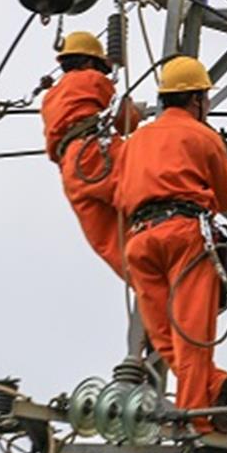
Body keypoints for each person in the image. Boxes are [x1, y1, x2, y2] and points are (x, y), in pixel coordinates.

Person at [113, 56, 227, 433]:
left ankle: (210, 388)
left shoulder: (135, 141)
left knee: (163, 333)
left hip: (140, 241)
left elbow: (120, 194)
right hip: (184, 236)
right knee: (192, 334)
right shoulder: (203, 137)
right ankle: (196, 419)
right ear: (196, 99)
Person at [41, 31, 141, 278]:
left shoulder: (50, 96)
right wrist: (136, 111)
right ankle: (178, 257)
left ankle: (144, 277)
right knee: (150, 186)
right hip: (95, 150)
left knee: (110, 239)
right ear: (88, 62)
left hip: (70, 169)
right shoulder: (93, 80)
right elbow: (126, 121)